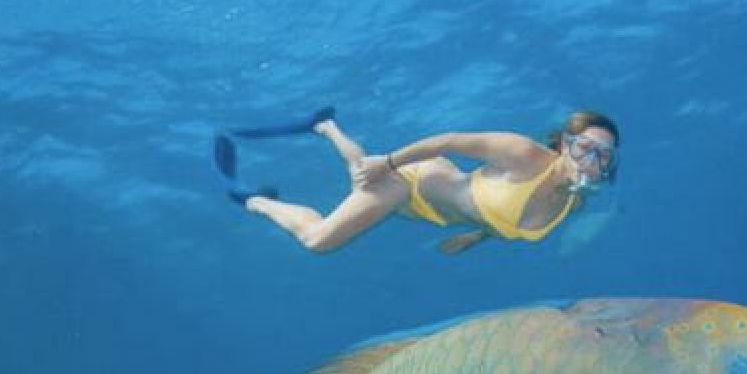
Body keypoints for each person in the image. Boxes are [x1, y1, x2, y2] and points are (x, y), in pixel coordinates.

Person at [216, 108, 619, 255]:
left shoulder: (574, 202)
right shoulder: (524, 154)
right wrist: (389, 162)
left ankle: (326, 126)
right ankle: (254, 200)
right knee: (319, 241)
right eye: (585, 147)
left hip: (428, 212)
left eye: (604, 156)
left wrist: (476, 237)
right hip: (411, 182)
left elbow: (509, 215)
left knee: (361, 174)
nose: (592, 160)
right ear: (565, 143)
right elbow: (450, 141)